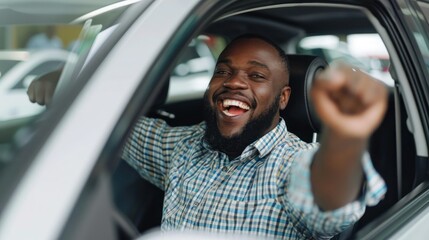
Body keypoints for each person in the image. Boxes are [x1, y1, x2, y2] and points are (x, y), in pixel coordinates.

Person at [27, 34, 388, 239]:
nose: (234, 82)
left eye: (257, 76)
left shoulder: (293, 164)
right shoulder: (182, 146)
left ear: (283, 98)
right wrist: (66, 86)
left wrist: (344, 136)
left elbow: (329, 207)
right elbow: (115, 125)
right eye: (224, 72)